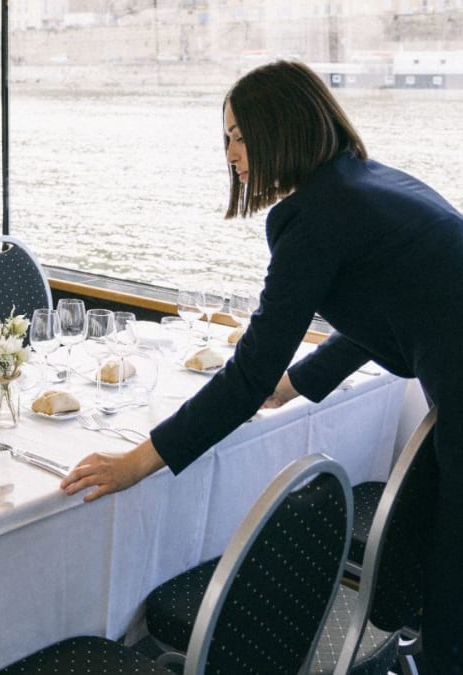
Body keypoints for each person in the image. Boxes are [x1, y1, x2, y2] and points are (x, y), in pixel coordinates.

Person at [60, 59, 463, 674]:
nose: (230, 154)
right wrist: (296, 382)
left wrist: (138, 463)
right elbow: (392, 307)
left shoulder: (313, 217)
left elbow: (248, 372)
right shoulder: (365, 183)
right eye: (225, 137)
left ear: (282, 128)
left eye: (239, 135)